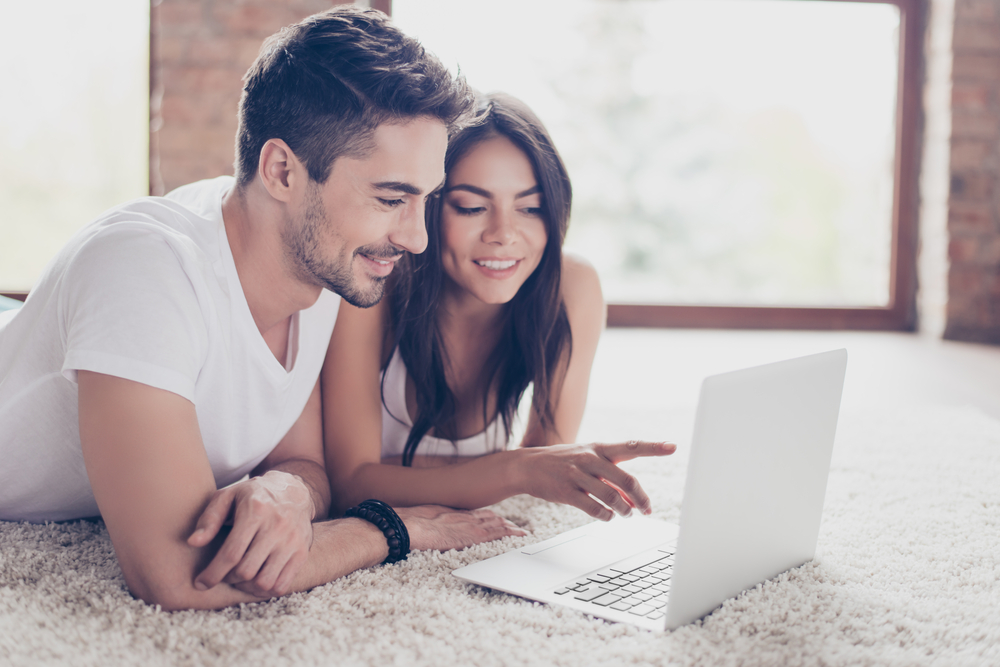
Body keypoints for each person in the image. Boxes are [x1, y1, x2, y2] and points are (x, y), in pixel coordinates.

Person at [0, 7, 522, 611]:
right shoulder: (141, 269)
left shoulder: (325, 268)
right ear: (281, 171)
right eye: (390, 198)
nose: (416, 239)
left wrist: (288, 492)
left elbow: (301, 461)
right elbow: (177, 574)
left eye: (423, 201)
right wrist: (395, 528)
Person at [323, 93, 675, 519]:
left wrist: (522, 468)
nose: (504, 234)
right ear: (427, 208)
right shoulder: (374, 283)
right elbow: (350, 484)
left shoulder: (571, 287)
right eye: (472, 207)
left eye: (530, 208)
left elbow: (548, 460)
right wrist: (513, 467)